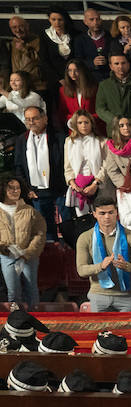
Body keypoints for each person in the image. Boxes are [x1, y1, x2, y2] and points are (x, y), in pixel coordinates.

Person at [75, 196, 131, 311]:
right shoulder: (85, 238)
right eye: (102, 213)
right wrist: (101, 266)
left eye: (111, 212)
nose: (107, 217)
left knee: (130, 330)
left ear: (116, 212)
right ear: (94, 214)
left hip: (127, 296)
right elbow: (81, 270)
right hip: (99, 295)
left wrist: (127, 266)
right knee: (100, 330)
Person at [13, 105, 63, 233]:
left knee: (64, 227)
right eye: (28, 119)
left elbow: (64, 164)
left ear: (45, 119)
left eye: (35, 118)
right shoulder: (21, 140)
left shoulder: (58, 137)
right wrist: (26, 189)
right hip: (35, 193)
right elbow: (19, 167)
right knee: (44, 230)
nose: (31, 122)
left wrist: (63, 187)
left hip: (58, 190)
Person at [0, 175, 43, 308]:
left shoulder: (30, 211)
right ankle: (16, 322)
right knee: (13, 292)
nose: (15, 191)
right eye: (11, 188)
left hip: (28, 256)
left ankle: (35, 320)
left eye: (17, 188)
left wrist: (29, 252)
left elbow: (39, 233)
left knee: (32, 290)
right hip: (6, 256)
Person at [63, 110, 102, 218]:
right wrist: (73, 184)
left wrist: (95, 184)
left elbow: (105, 165)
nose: (83, 125)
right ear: (75, 125)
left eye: (86, 122)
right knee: (83, 220)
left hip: (98, 185)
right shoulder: (69, 142)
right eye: (80, 123)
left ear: (91, 124)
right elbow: (68, 166)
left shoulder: (100, 141)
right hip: (78, 187)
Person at [100, 115, 131, 201]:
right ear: (116, 129)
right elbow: (112, 171)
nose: (126, 128)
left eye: (128, 124)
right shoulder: (112, 147)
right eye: (122, 126)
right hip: (126, 187)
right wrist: (126, 185)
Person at [95, 54, 131, 135]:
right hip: (113, 131)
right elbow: (100, 108)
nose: (120, 66)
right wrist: (116, 121)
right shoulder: (104, 85)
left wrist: (130, 122)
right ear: (111, 66)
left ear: (128, 64)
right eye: (116, 64)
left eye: (123, 63)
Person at [58, 59, 99, 139]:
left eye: (76, 70)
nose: (72, 74)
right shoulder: (63, 90)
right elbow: (62, 113)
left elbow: (99, 109)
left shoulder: (94, 87)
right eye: (70, 71)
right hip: (74, 131)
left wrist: (88, 120)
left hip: (94, 130)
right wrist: (74, 120)